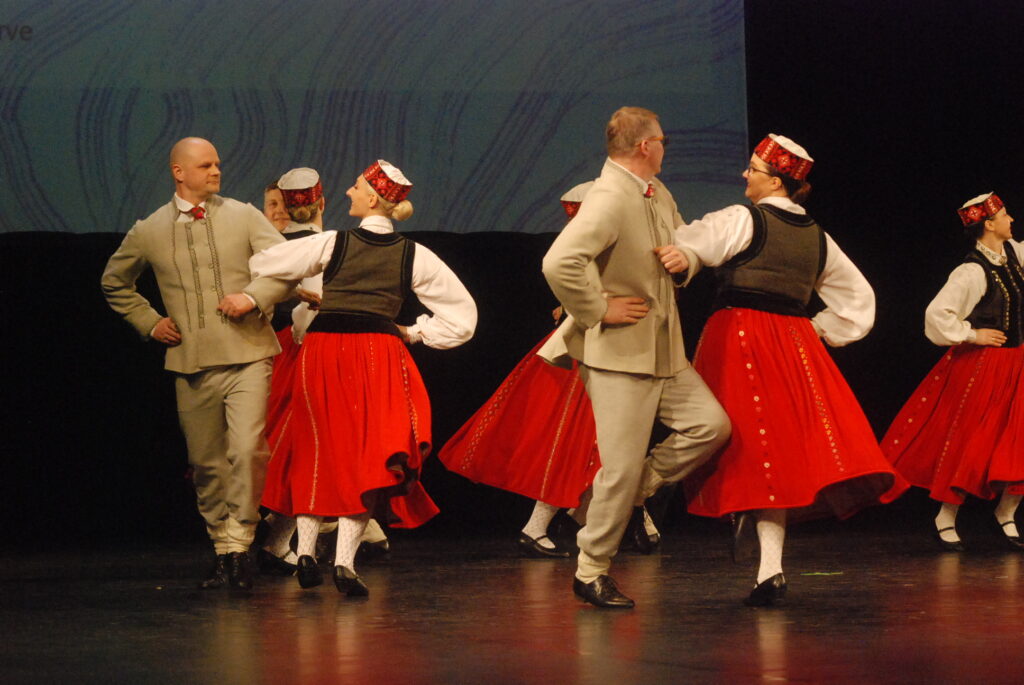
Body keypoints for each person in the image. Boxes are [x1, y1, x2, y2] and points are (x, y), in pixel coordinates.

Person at [672, 133, 908, 606]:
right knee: (775, 452)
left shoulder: (743, 219)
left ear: (776, 181)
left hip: (739, 338)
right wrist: (816, 330)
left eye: (753, 169)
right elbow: (859, 301)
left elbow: (684, 244)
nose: (745, 175)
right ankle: (769, 568)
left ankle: (645, 507)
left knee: (739, 443)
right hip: (794, 346)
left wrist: (682, 253)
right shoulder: (819, 237)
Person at [250, 159, 477, 596]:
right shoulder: (415, 255)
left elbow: (265, 263)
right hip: (377, 353)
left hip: (323, 350)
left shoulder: (331, 242)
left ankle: (305, 553)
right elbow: (463, 319)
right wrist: (413, 332)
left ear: (372, 198)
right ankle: (345, 563)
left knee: (317, 449)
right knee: (368, 456)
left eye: (355, 187)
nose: (348, 193)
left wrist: (301, 292)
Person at [540, 107, 731, 609]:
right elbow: (559, 262)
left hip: (664, 350)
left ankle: (636, 490)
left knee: (710, 426)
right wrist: (598, 308)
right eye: (662, 140)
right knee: (619, 470)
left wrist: (687, 259)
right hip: (620, 356)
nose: (665, 148)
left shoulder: (655, 191)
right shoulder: (608, 197)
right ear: (646, 146)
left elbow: (682, 238)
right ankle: (591, 569)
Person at [101, 137, 293, 590]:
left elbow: (287, 265)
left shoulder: (243, 215)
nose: (216, 171)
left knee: (246, 450)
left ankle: (241, 542)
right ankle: (224, 549)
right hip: (192, 361)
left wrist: (252, 297)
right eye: (205, 165)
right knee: (206, 463)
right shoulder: (149, 229)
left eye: (217, 164)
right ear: (178, 172)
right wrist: (150, 322)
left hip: (249, 354)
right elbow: (114, 282)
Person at [882, 192, 1024, 551]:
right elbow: (937, 316)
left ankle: (1006, 512)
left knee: (1018, 441)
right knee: (971, 444)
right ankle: (944, 517)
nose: (1011, 220)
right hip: (985, 366)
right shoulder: (972, 271)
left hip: (1018, 363)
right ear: (988, 224)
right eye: (1005, 215)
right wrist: (973, 334)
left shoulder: (1015, 254)